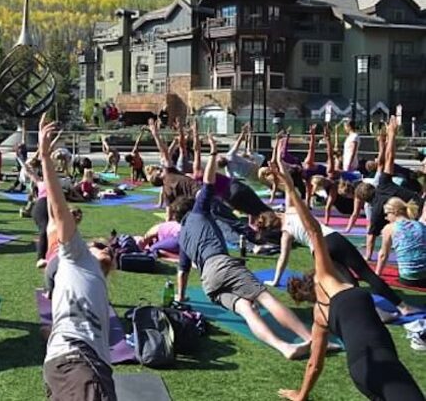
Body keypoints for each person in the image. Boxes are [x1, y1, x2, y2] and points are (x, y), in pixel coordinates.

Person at [275, 155, 425, 401]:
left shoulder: (319, 317)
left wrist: (301, 395)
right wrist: (290, 187)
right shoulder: (326, 280)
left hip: (364, 370)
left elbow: (315, 364)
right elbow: (313, 231)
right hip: (380, 365)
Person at [176, 133, 313, 360]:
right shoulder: (198, 213)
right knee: (264, 298)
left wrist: (180, 298)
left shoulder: (182, 236)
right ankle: (310, 339)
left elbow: (182, 272)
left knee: (246, 310)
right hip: (220, 264)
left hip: (208, 283)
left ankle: (284, 347)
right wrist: (212, 152)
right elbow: (209, 182)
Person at [264, 157, 419, 318]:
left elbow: (283, 258)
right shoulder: (290, 210)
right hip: (332, 239)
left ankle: (375, 312)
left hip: (318, 252)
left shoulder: (285, 234)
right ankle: (403, 307)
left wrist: (275, 281)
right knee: (366, 274)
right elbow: (290, 187)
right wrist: (279, 166)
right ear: (276, 213)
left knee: (349, 284)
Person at [37, 113, 116, 400]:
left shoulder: (97, 281)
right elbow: (57, 211)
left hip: (86, 365)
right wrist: (45, 158)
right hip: (77, 361)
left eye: (109, 248)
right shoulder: (78, 257)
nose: (107, 247)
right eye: (102, 244)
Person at [352, 118, 422, 260]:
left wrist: (368, 256)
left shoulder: (376, 212)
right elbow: (389, 158)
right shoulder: (383, 183)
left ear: (365, 201)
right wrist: (391, 134)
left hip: (417, 215)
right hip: (420, 204)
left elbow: (370, 237)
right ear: (372, 186)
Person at [376, 197, 426, 288]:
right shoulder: (420, 225)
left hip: (408, 278)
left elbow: (383, 255)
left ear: (394, 212)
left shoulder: (389, 228)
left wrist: (377, 275)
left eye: (387, 214)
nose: (386, 218)